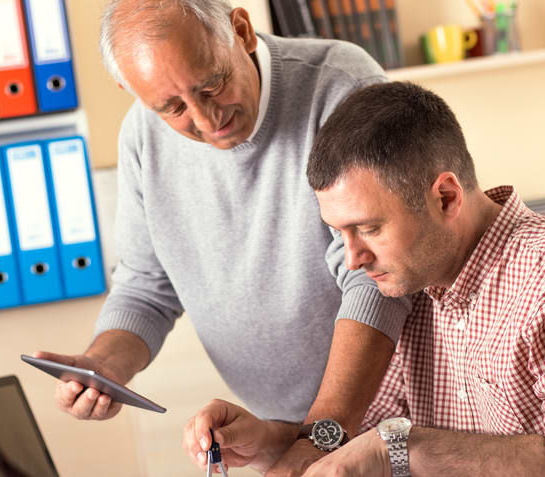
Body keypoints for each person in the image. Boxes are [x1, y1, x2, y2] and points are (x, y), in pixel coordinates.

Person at [185, 81, 545, 476]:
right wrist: (274, 442)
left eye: (368, 228)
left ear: (446, 198)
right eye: (338, 233)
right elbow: (365, 436)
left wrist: (405, 448)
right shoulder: (412, 286)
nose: (352, 259)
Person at [34, 0, 411, 473]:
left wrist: (320, 437)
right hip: (290, 435)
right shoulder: (141, 136)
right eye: (173, 108)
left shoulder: (339, 86)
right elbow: (146, 287)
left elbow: (374, 275)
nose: (207, 119)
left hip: (398, 418)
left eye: (212, 84)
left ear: (241, 30)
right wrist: (105, 366)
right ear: (129, 89)